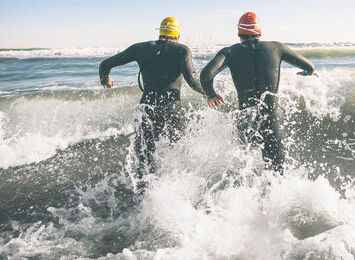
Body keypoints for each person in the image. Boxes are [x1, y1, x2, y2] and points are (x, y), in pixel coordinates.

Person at [200, 12, 318, 173]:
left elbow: (206, 75)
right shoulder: (277, 47)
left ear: (239, 33)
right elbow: (309, 67)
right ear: (259, 32)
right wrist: (308, 72)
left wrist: (211, 94)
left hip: (246, 118)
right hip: (272, 116)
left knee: (245, 173)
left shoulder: (229, 52)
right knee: (277, 172)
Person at [99, 17, 205, 183]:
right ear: (177, 35)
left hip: (146, 107)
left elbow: (105, 64)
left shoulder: (140, 48)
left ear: (161, 32)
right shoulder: (182, 50)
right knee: (178, 151)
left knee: (145, 155)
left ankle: (144, 191)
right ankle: (174, 187)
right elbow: (192, 80)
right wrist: (208, 93)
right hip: (172, 109)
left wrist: (105, 80)